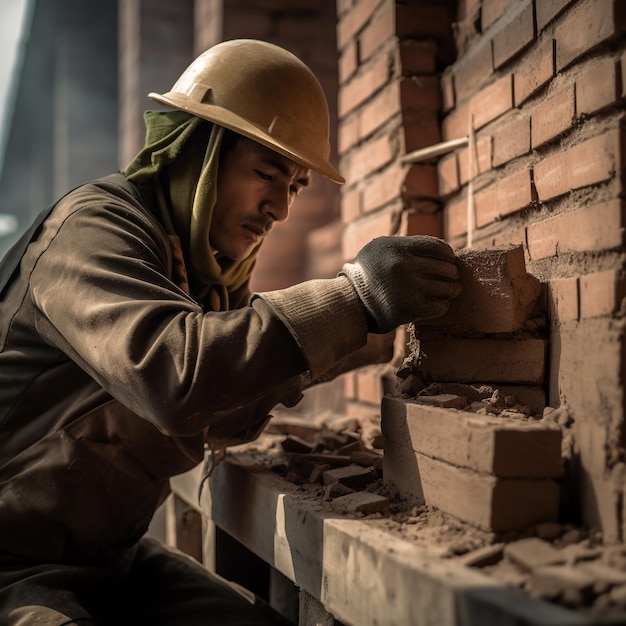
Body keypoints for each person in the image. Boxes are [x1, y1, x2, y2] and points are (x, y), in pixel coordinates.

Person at [0, 39, 461, 625]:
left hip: (108, 559)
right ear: (199, 153)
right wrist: (355, 300)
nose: (281, 208)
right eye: (267, 173)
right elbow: (173, 376)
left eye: (295, 186)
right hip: (12, 565)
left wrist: (365, 339)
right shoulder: (92, 230)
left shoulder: (202, 269)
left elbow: (223, 413)